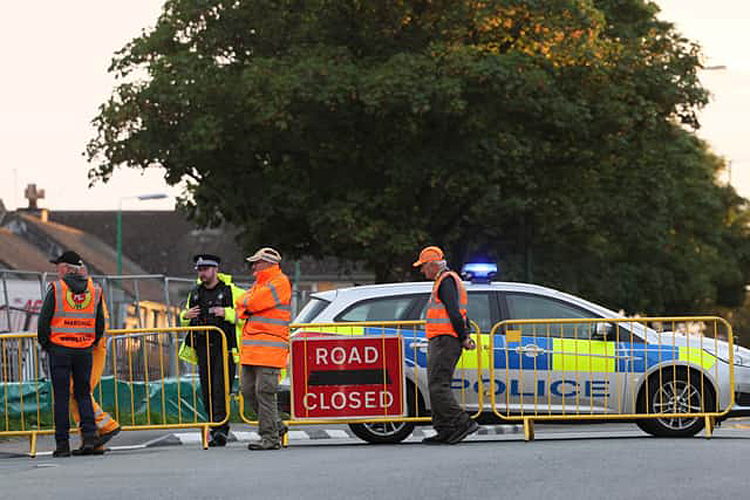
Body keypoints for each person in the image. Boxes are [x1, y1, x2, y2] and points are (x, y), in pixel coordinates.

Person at [37, 251, 104, 457]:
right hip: (83, 350)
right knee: (83, 393)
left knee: (62, 397)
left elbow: (43, 321)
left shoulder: (57, 289)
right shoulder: (95, 290)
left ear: (66, 268)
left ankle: (62, 444)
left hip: (60, 351)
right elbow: (99, 324)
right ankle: (90, 439)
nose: (57, 270)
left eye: (59, 266)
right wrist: (88, 343)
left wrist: (47, 344)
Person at [413, 246, 480, 445]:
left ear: (433, 265)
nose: (422, 271)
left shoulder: (446, 281)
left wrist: (463, 337)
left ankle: (461, 423)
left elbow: (454, 312)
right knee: (437, 385)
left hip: (445, 340)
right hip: (443, 339)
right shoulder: (445, 281)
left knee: (438, 386)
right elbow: (459, 312)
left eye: (424, 267)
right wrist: (464, 335)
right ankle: (444, 430)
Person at [180, 254, 244, 447]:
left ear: (215, 269)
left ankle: (221, 429)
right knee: (207, 389)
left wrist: (227, 313)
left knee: (220, 389)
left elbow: (246, 315)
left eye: (205, 269)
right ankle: (215, 426)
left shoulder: (232, 291)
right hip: (202, 347)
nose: (202, 273)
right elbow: (186, 317)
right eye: (199, 269)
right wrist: (185, 315)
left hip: (224, 347)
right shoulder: (195, 292)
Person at [236, 247, 291, 451]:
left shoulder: (279, 282)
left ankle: (270, 438)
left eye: (256, 262)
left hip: (269, 350)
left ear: (267, 263)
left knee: (264, 392)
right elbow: (241, 302)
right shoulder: (261, 284)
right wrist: (246, 304)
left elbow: (252, 302)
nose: (253, 266)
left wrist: (247, 304)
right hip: (253, 350)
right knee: (248, 391)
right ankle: (276, 426)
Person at [68, 264, 121, 453]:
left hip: (91, 348)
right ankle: (91, 438)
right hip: (81, 347)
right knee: (75, 392)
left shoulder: (90, 291)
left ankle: (106, 426)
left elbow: (100, 323)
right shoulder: (74, 291)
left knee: (79, 390)